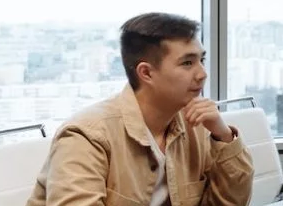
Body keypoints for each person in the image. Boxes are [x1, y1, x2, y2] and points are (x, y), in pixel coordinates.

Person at [27, 12, 253, 206]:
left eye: (201, 60)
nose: (202, 73)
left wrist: (223, 137)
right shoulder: (86, 136)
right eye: (187, 63)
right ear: (146, 73)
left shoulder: (197, 125)